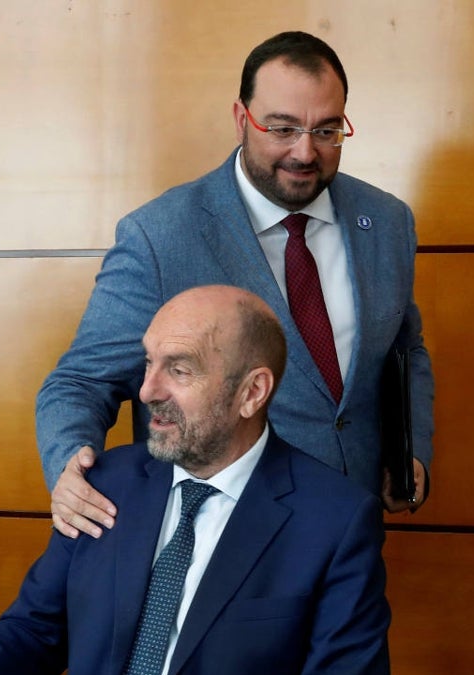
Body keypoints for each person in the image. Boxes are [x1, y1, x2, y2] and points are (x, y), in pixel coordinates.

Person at [0, 285, 392, 675]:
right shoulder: (106, 483)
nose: (147, 391)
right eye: (148, 362)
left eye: (180, 369)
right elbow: (34, 632)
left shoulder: (334, 520)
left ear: (251, 392)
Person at [38, 30, 435, 540]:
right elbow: (81, 382)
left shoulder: (387, 220)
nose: (304, 152)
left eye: (327, 130)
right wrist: (71, 465)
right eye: (282, 127)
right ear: (240, 119)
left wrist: (410, 451)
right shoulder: (161, 235)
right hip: (221, 543)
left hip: (354, 527)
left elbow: (406, 351)